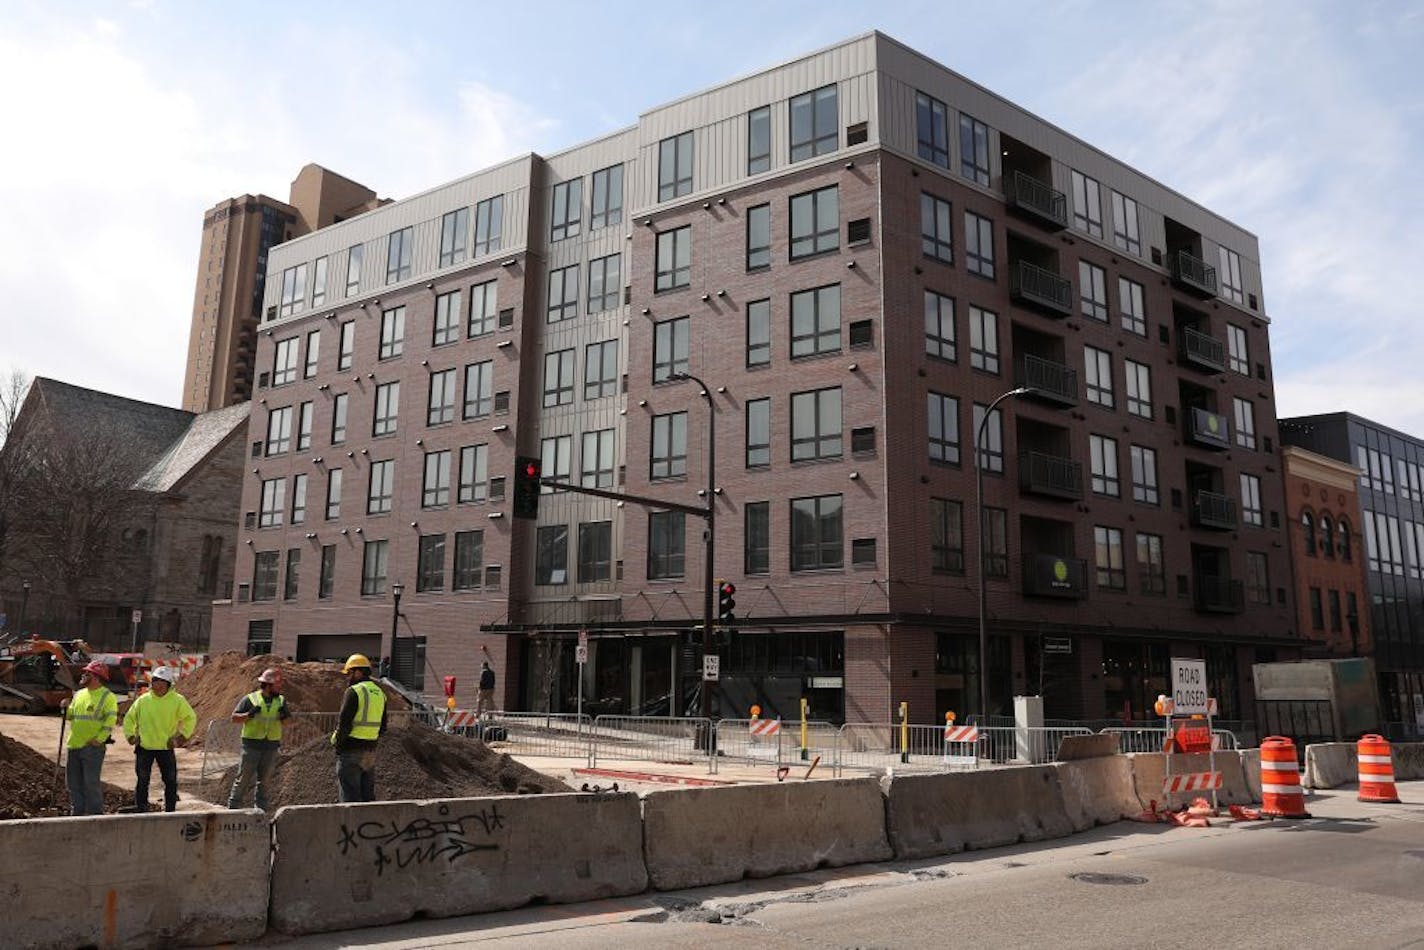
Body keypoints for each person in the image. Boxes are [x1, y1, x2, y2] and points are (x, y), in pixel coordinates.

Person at [122, 665, 196, 813]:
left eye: (161, 681)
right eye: (155, 680)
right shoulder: (143, 700)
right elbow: (129, 718)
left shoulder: (177, 700)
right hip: (144, 747)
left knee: (170, 781)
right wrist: (130, 735)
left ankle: (170, 810)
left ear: (168, 683)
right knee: (142, 780)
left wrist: (181, 738)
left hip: (165, 748)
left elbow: (190, 718)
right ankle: (141, 807)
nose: (157, 684)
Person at [226, 667, 290, 811]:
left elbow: (287, 723)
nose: (280, 687)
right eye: (277, 684)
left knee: (265, 781)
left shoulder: (281, 701)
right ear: (268, 685)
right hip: (251, 746)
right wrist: (249, 714)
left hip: (271, 746)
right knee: (243, 779)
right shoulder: (250, 699)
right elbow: (234, 718)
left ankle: (260, 810)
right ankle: (233, 808)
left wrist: (283, 716)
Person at [62, 660, 118, 816]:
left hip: (92, 748)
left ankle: (94, 814)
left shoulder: (107, 696)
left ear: (96, 676)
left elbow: (110, 721)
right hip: (74, 745)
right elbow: (70, 716)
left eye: (87, 673)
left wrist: (99, 739)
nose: (83, 675)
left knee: (90, 783)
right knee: (73, 783)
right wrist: (66, 708)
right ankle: (77, 813)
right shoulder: (79, 694)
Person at [330, 653, 386, 803]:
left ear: (358, 672)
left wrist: (338, 744)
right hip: (370, 751)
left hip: (351, 750)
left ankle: (350, 827)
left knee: (350, 798)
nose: (347, 677)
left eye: (349, 673)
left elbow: (344, 723)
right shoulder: (380, 693)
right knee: (367, 797)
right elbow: (383, 726)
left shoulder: (354, 691)